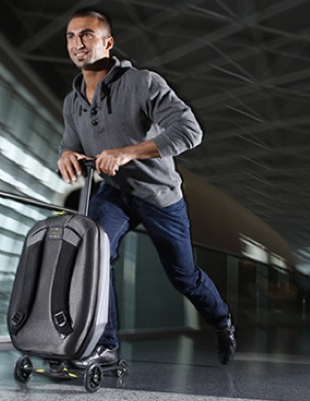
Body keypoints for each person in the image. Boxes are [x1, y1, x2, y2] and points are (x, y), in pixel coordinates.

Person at [57, 7, 237, 367]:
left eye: (87, 35)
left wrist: (127, 153)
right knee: (94, 256)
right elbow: (70, 142)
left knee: (184, 277)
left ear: (108, 43)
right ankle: (104, 346)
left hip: (160, 196)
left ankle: (222, 322)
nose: (78, 43)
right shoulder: (73, 101)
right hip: (116, 195)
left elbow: (190, 131)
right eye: (72, 36)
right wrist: (65, 155)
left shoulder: (143, 83)